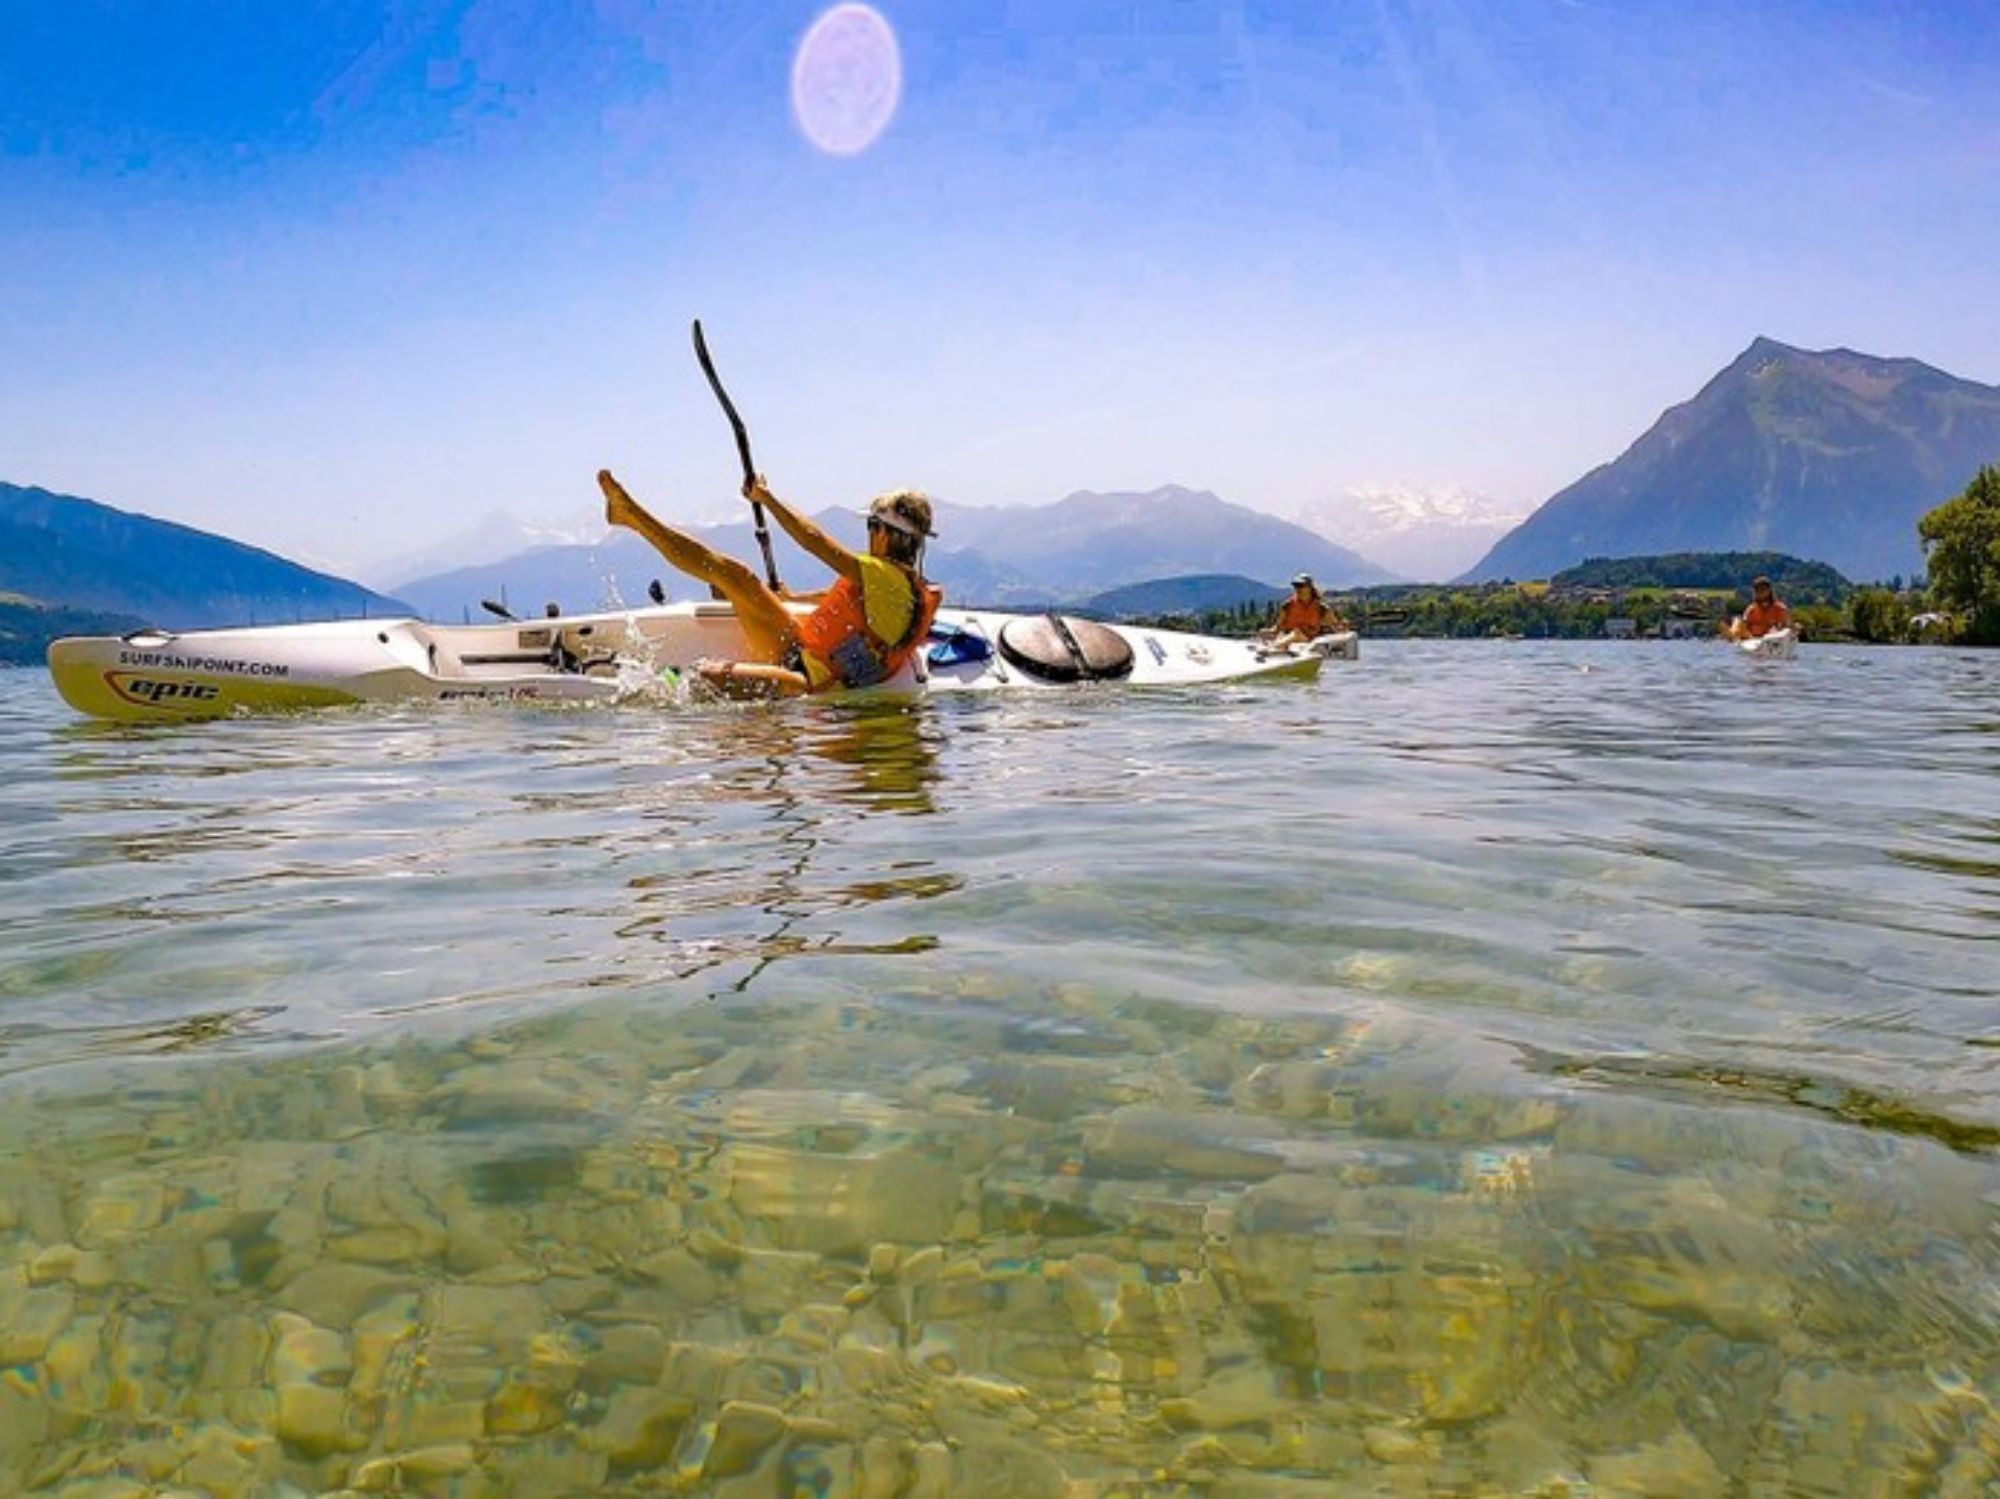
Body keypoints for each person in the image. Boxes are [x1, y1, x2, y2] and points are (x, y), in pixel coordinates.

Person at [598, 468, 941, 696]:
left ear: (883, 533)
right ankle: (631, 517)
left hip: (809, 683)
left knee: (706, 678)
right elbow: (849, 601)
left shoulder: (886, 578)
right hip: (798, 649)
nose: (869, 536)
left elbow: (813, 541)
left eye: (871, 527)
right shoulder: (892, 585)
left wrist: (767, 498)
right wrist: (792, 597)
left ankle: (651, 689)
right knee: (736, 576)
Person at [1264, 573, 1344, 645]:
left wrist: (1343, 630)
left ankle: (1272, 649)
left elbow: (1336, 627)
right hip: (1287, 640)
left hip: (1308, 644)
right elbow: (1277, 628)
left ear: (1310, 588)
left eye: (1301, 586)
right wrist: (1268, 631)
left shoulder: (1322, 608)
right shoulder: (1287, 606)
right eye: (1296, 586)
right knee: (1290, 635)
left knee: (1296, 634)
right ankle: (1271, 649)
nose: (1298, 589)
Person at [1728, 576, 1792, 640]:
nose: (1760, 592)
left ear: (1769, 590)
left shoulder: (1780, 608)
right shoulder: (1751, 610)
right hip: (1753, 641)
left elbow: (1786, 627)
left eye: (1763, 589)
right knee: (1737, 620)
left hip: (1773, 641)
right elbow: (1744, 626)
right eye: (1757, 590)